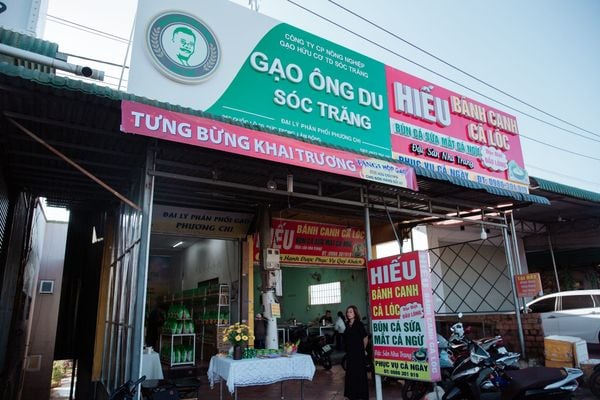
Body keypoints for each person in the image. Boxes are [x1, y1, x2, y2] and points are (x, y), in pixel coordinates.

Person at [343, 305, 369, 400]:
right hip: (350, 353)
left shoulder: (359, 324)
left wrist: (362, 349)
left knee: (359, 374)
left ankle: (361, 394)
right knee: (351, 374)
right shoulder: (347, 324)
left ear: (355, 313)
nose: (348, 313)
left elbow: (365, 337)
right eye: (347, 312)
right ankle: (352, 394)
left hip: (358, 353)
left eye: (351, 312)